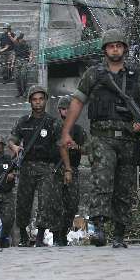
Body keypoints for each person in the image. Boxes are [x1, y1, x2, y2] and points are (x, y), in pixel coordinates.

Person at [59, 29, 140, 248]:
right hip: (102, 138)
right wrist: (67, 131)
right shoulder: (94, 74)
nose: (115, 48)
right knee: (102, 182)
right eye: (111, 45)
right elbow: (77, 102)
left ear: (124, 49)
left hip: (129, 138)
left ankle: (120, 234)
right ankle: (99, 229)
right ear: (105, 49)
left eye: (119, 45)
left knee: (124, 187)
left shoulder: (135, 73)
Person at [8, 86, 64, 247]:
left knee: (45, 201)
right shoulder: (23, 121)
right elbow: (12, 139)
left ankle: (40, 236)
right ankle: (24, 235)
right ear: (30, 101)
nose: (38, 102)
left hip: (46, 166)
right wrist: (14, 147)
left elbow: (61, 145)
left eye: (41, 99)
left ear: (45, 100)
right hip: (26, 166)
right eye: (35, 99)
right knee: (23, 201)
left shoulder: (53, 123)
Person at [57, 95, 87, 246]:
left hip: (73, 169)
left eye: (68, 109)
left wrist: (76, 147)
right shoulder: (54, 127)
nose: (66, 111)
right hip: (55, 170)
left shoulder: (78, 130)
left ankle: (63, 231)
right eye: (63, 109)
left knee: (72, 204)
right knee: (54, 203)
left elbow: (89, 150)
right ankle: (57, 234)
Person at [13, 32, 32, 97]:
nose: (20, 40)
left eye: (20, 38)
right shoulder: (16, 45)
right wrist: (12, 63)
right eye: (19, 38)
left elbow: (30, 52)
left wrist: (30, 58)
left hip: (24, 60)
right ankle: (19, 91)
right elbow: (14, 54)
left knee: (23, 75)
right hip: (17, 61)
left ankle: (24, 91)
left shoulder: (26, 44)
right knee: (16, 76)